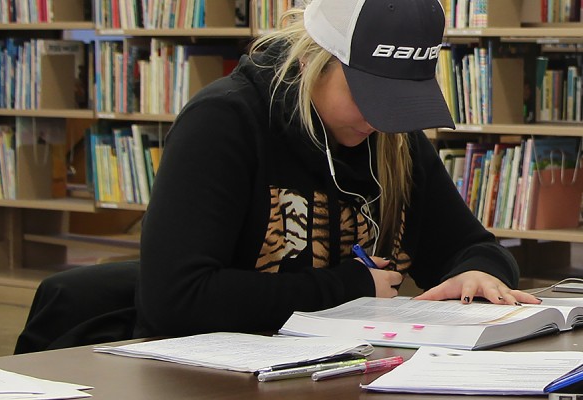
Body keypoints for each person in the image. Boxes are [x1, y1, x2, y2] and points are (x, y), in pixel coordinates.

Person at [133, 0, 541, 339]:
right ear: (314, 59)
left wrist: (480, 273)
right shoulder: (224, 122)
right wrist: (350, 288)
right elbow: (174, 299)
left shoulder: (393, 140)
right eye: (368, 96)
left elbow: (473, 247)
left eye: (399, 101)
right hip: (204, 377)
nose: (380, 120)